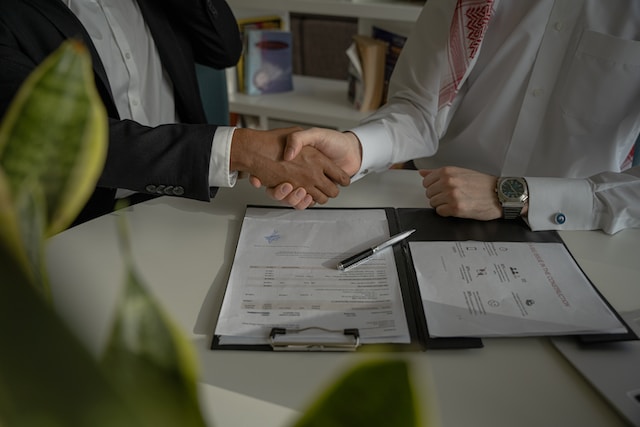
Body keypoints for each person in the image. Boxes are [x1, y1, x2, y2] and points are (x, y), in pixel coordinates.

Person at [261, 0, 640, 234]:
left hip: (582, 230)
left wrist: (519, 197)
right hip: (436, 208)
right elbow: (419, 106)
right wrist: (358, 147)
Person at [0, 0, 349, 226]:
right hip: (79, 224)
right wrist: (241, 150)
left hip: (187, 200)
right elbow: (64, 140)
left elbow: (224, 49)